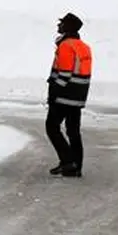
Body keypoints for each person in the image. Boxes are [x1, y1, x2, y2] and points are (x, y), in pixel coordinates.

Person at [45, 12, 93, 177]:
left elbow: (64, 75)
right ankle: (76, 166)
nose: (58, 25)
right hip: (78, 96)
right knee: (73, 131)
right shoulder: (83, 46)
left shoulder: (66, 46)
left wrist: (53, 94)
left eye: (61, 23)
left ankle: (67, 161)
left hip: (64, 95)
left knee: (52, 127)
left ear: (68, 27)